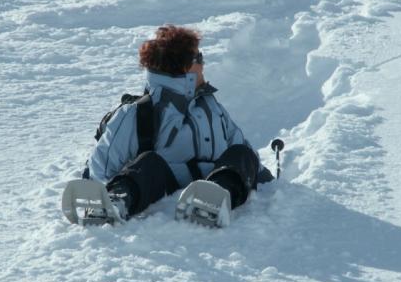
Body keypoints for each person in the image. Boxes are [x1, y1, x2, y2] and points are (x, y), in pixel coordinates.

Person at [86, 25, 272, 220]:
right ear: (184, 66)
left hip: (216, 187)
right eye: (199, 57)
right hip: (163, 191)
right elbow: (101, 169)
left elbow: (243, 154)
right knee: (148, 162)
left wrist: (269, 182)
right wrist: (115, 186)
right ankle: (115, 202)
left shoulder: (212, 107)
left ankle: (212, 201)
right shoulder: (137, 113)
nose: (203, 64)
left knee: (241, 153)